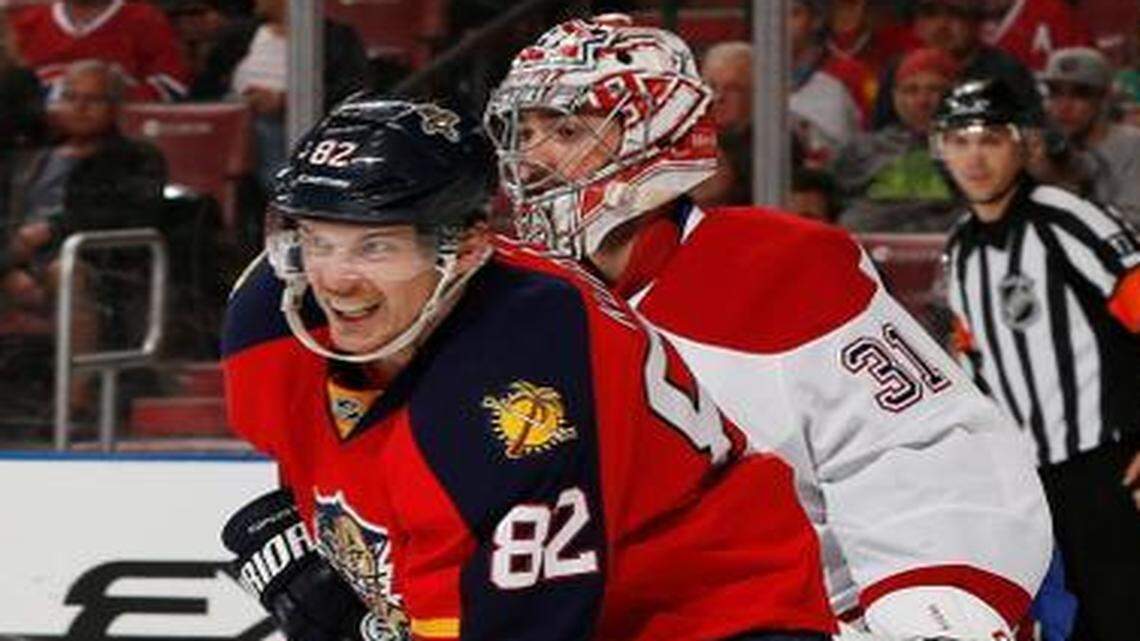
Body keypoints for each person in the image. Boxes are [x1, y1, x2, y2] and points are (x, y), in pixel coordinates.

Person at [484, 13, 1052, 641]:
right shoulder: (509, 299)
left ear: (655, 135)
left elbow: (924, 454)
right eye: (527, 130)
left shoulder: (777, 268)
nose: (532, 157)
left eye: (565, 130)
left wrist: (928, 612)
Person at [221, 97, 838, 641]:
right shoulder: (267, 320)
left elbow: (521, 615)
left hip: (712, 614)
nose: (335, 279)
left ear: (462, 248)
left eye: (375, 245)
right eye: (317, 239)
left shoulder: (520, 381)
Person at [938, 77, 1140, 641]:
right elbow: (974, 360)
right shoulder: (960, 247)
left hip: (1110, 465)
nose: (973, 156)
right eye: (959, 139)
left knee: (1123, 613)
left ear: (1024, 144)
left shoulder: (1067, 220)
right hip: (1028, 482)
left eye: (991, 139)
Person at [191, 0, 370, 190]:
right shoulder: (239, 34)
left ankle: (284, 189)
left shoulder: (337, 37)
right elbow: (205, 88)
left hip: (303, 120)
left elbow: (353, 90)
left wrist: (283, 101)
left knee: (266, 126)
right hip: (239, 117)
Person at [834, 47, 960, 233]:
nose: (922, 101)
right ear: (894, 97)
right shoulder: (861, 149)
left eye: (934, 89)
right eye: (911, 90)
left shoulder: (975, 151)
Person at [872, 0, 1042, 132]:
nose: (942, 25)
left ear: (976, 22)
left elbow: (1030, 134)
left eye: (956, 14)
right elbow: (880, 134)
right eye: (930, 14)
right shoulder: (898, 70)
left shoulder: (1006, 72)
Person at [8, 0, 190, 101]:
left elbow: (171, 85)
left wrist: (105, 99)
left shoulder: (144, 18)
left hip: (120, 139)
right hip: (36, 137)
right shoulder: (25, 21)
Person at [1040, 46, 1140, 225]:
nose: (1064, 106)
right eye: (1055, 92)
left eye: (1080, 94)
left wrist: (1064, 185)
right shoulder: (1043, 147)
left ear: (1104, 99)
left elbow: (1132, 228)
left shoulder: (1132, 145)